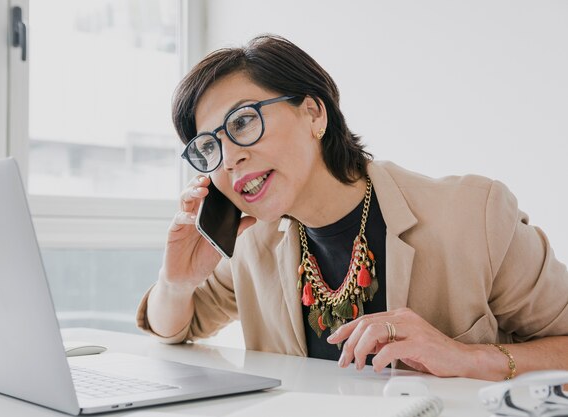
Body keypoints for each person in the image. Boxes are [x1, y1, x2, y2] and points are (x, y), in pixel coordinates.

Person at [136, 34, 568, 381]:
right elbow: (175, 330)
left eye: (243, 122)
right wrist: (176, 282)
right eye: (209, 147)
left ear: (313, 114)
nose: (229, 159)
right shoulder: (253, 243)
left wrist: (465, 359)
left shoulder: (474, 214)